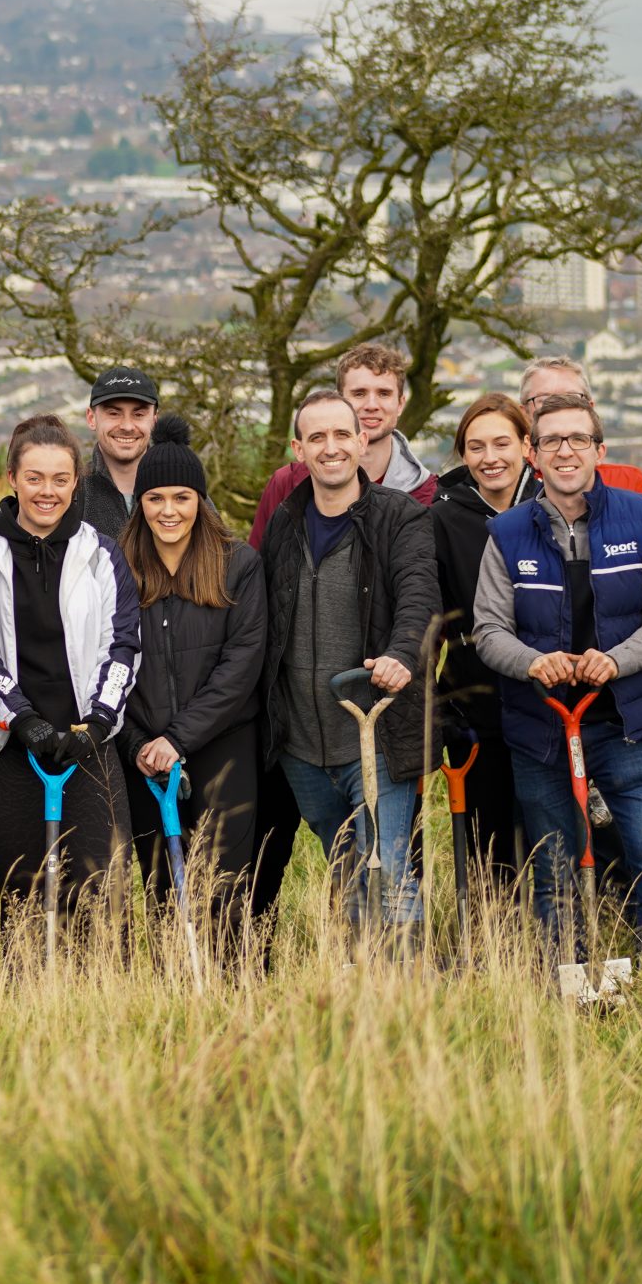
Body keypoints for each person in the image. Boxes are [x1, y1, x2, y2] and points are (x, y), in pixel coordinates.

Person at [471, 393, 642, 948]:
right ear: (532, 453)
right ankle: (565, 987)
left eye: (578, 439)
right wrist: (531, 662)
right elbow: (488, 631)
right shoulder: (506, 533)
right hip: (540, 727)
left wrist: (616, 660)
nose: (565, 451)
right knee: (554, 877)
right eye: (551, 441)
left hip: (624, 725)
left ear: (599, 449)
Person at [257, 388, 442, 932]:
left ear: (362, 440)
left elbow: (419, 597)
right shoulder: (284, 523)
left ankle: (405, 994)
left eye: (342, 435)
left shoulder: (400, 518)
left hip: (374, 732)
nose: (331, 447)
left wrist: (402, 654)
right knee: (346, 868)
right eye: (317, 437)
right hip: (300, 743)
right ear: (299, 449)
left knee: (388, 872)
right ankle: (361, 984)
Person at [0, 416, 141, 920]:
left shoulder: (101, 554)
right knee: (27, 896)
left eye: (61, 479)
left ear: (75, 482)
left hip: (87, 746)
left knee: (104, 890)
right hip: (4, 749)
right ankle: (30, 999)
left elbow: (122, 643)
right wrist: (22, 718)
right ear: (12, 478)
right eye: (35, 477)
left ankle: (100, 997)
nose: (47, 491)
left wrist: (98, 723)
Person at [120, 415, 267, 947]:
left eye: (181, 498)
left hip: (221, 749)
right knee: (161, 878)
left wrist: (179, 738)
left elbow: (242, 663)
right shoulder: (119, 567)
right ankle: (172, 995)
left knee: (222, 881)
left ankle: (226, 987)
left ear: (200, 502)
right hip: (144, 755)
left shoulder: (237, 565)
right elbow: (110, 663)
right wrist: (140, 742)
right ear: (141, 504)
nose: (168, 511)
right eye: (155, 498)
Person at [428, 391, 540, 886]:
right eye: (476, 447)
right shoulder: (442, 517)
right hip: (476, 701)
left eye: (501, 444)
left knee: (552, 834)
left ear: (526, 446)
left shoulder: (555, 503)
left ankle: (564, 946)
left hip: (550, 695)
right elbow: (430, 615)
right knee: (488, 843)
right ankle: (498, 947)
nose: (490, 458)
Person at [247, 342, 440, 544]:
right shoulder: (287, 483)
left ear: (400, 404)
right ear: (339, 401)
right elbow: (257, 569)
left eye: (384, 393)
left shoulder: (427, 495)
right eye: (359, 393)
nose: (371, 405)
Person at [519, 356, 642, 516]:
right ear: (523, 413)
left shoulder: (633, 485)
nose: (559, 408)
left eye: (571, 398)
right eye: (545, 400)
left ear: (590, 409)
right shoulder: (506, 484)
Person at [78, 367, 159, 538]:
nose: (127, 426)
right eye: (114, 413)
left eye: (138, 414)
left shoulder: (182, 490)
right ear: (92, 418)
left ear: (154, 420)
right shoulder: (72, 493)